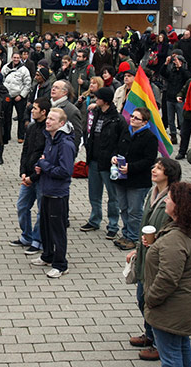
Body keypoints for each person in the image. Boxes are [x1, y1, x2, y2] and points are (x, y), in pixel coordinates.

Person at [142, 182, 191, 367]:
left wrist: (151, 298)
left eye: (170, 199)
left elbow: (168, 277)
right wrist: (156, 245)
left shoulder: (175, 239)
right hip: (185, 302)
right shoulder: (189, 229)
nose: (165, 200)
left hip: (171, 307)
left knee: (171, 357)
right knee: (181, 346)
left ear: (179, 207)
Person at [126, 158, 182, 362]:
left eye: (159, 168)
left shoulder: (174, 196)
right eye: (155, 166)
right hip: (146, 253)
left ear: (169, 173)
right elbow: (146, 223)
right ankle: (149, 334)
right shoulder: (153, 192)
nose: (154, 170)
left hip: (161, 256)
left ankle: (159, 343)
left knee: (151, 299)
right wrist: (137, 249)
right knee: (142, 298)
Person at [30, 107, 76, 278]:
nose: (48, 121)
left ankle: (60, 264)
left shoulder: (65, 144)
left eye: (52, 119)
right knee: (45, 227)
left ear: (61, 123)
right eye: (48, 118)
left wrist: (44, 166)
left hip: (58, 193)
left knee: (57, 230)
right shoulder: (50, 138)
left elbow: (65, 171)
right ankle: (47, 255)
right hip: (46, 189)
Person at [82, 88, 127, 239]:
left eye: (98, 98)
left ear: (105, 100)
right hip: (94, 160)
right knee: (94, 194)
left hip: (109, 163)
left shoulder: (118, 119)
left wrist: (115, 156)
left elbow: (122, 142)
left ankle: (113, 225)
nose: (95, 100)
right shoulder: (96, 114)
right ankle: (95, 220)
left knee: (113, 196)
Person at [111, 107, 159, 250]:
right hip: (121, 177)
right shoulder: (126, 131)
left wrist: (130, 167)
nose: (132, 119)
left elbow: (149, 160)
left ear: (144, 122)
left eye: (136, 118)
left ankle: (133, 237)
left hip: (138, 180)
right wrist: (114, 156)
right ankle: (126, 233)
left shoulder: (149, 137)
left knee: (134, 211)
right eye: (132, 116)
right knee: (123, 208)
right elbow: (117, 147)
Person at [9, 98, 49, 255]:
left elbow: (45, 155)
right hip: (28, 175)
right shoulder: (31, 128)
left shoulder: (48, 131)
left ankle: (37, 240)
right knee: (22, 206)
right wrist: (23, 172)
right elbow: (25, 151)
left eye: (35, 108)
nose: (32, 110)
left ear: (43, 112)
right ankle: (26, 236)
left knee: (41, 210)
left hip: (40, 177)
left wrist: (32, 176)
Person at [1, 52, 31, 144]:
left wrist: (22, 95)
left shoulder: (24, 70)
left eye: (18, 57)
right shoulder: (5, 67)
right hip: (8, 96)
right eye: (14, 57)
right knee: (7, 117)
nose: (16, 59)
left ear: (20, 58)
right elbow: (2, 80)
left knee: (21, 117)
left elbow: (27, 84)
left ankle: (21, 136)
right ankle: (7, 135)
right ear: (11, 58)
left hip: (19, 97)